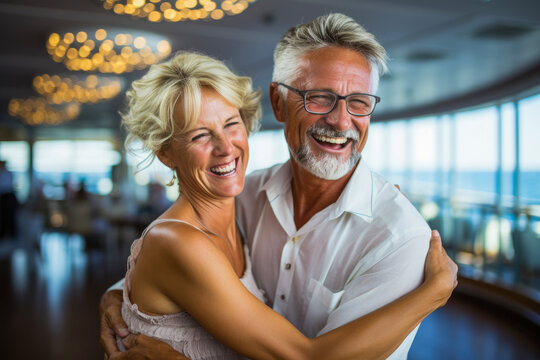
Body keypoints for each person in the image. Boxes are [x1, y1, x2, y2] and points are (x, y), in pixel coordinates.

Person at [101, 14, 458, 359]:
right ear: (278, 102)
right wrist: (120, 295)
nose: (341, 120)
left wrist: (432, 294)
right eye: (319, 97)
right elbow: (175, 271)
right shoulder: (245, 197)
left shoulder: (401, 238)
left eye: (359, 103)